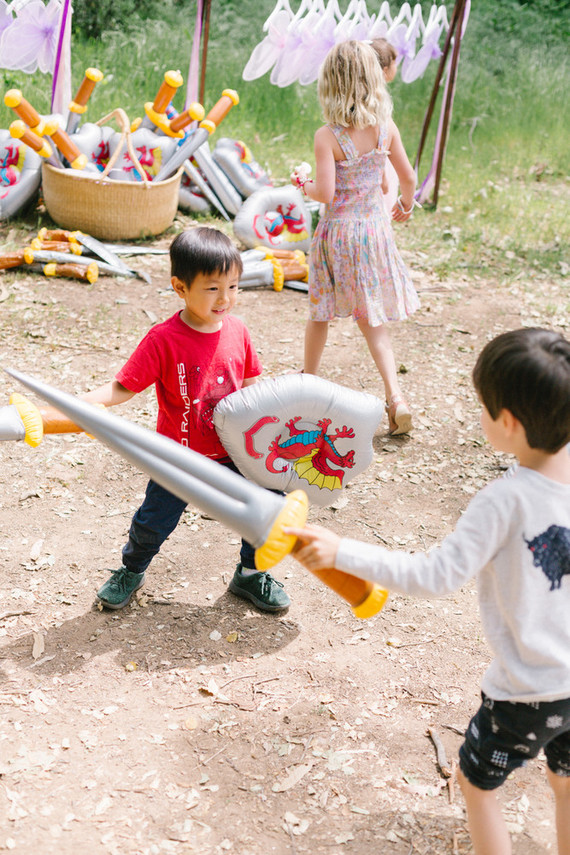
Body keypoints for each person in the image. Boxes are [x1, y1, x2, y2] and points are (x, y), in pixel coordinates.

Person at [286, 327, 570, 855]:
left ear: (507, 422)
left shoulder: (504, 501)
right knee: (567, 781)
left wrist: (342, 552)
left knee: (477, 786)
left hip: (527, 693)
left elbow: (436, 575)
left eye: (484, 408)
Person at [83, 227, 290, 613]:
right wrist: (82, 405)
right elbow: (123, 388)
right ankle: (131, 569)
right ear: (180, 287)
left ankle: (250, 574)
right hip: (177, 457)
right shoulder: (163, 339)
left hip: (235, 453)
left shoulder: (238, 330)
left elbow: (252, 387)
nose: (225, 298)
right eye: (212, 288)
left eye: (233, 286)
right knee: (152, 522)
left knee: (269, 505)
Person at [291, 40, 420, 435]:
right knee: (372, 321)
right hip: (374, 232)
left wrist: (302, 182)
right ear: (372, 79)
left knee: (320, 314)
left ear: (331, 84)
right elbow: (408, 178)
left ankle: (306, 384)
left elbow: (326, 193)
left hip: (338, 234)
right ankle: (396, 397)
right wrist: (406, 204)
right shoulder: (386, 129)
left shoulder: (327, 136)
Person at [371, 38, 399, 204]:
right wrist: (383, 177)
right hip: (377, 165)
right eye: (395, 62)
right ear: (385, 69)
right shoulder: (377, 100)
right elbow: (377, 141)